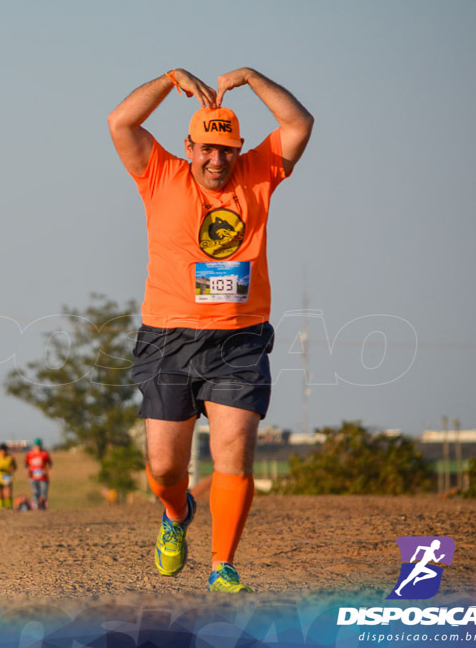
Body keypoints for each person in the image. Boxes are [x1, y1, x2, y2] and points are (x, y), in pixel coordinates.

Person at [108, 67, 313, 592]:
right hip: (167, 338)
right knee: (163, 467)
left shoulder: (260, 172)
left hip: (239, 339)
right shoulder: (159, 173)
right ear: (189, 146)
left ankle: (223, 562)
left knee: (235, 453)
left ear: (239, 149)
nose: (217, 160)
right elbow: (121, 121)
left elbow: (298, 122)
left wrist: (252, 78)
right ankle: (176, 514)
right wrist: (169, 79)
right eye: (206, 149)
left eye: (226, 150)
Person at [25, 438, 53, 510]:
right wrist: (27, 471)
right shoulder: (30, 454)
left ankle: (43, 507)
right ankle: (35, 507)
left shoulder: (45, 454)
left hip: (43, 477)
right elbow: (26, 465)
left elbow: (50, 464)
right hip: (33, 477)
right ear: (34, 445)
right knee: (35, 493)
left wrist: (47, 471)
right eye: (36, 445)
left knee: (43, 494)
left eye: (39, 445)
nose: (38, 447)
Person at [0, 443, 17, 509]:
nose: (3, 452)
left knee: (8, 494)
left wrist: (12, 468)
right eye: (2, 451)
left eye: (5, 450)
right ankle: (0, 508)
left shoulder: (11, 457)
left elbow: (15, 467)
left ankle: (9, 508)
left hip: (7, 477)